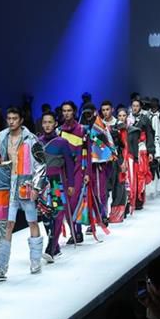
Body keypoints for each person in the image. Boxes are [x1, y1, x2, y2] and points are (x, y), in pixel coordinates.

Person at [0, 107, 46, 277]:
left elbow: (41, 164)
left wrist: (36, 187)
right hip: (8, 186)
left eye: (15, 118)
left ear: (21, 120)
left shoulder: (31, 139)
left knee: (32, 222)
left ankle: (35, 260)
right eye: (9, 118)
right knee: (7, 224)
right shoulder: (3, 139)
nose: (11, 121)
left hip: (26, 184)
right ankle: (1, 266)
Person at [38, 110, 75, 263]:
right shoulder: (37, 142)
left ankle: (51, 248)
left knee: (58, 214)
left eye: (50, 122)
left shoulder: (62, 142)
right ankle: (56, 247)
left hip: (56, 181)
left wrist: (71, 184)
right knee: (45, 215)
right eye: (44, 122)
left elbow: (69, 164)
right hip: (41, 182)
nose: (47, 125)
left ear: (55, 124)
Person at [59, 101, 91, 244]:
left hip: (78, 170)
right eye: (64, 111)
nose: (66, 113)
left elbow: (88, 153)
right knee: (66, 204)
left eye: (69, 110)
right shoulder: (59, 131)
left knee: (74, 202)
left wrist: (88, 172)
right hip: (63, 172)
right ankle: (74, 233)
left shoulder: (82, 130)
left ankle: (78, 232)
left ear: (74, 112)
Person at [128, 99, 155, 211]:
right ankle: (131, 200)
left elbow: (150, 135)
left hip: (141, 150)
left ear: (140, 107)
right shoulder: (127, 119)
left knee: (140, 175)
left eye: (137, 106)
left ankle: (139, 200)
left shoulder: (145, 119)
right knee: (131, 176)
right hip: (130, 151)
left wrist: (151, 151)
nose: (135, 108)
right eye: (133, 106)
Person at [106, 108, 130, 223]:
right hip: (105, 160)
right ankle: (104, 214)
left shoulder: (120, 126)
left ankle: (117, 214)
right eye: (103, 110)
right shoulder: (99, 126)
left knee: (119, 186)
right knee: (105, 188)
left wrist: (124, 161)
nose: (105, 112)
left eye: (107, 109)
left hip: (119, 159)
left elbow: (125, 145)